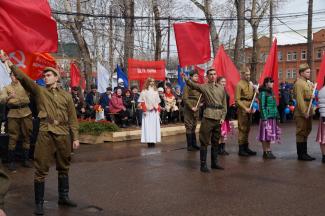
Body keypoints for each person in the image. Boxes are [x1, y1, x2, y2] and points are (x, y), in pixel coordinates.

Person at [1, 53, 80, 215]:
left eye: (49, 75)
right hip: (46, 133)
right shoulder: (40, 91)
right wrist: (8, 62)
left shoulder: (66, 96)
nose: (45, 77)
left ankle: (63, 197)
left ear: (56, 77)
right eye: (44, 75)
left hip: (64, 134)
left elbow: (73, 118)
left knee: (64, 167)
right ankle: (39, 204)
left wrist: (76, 138)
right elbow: (24, 79)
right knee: (41, 169)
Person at [183, 68, 227, 172]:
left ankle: (214, 163)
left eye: (214, 74)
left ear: (216, 76)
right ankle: (203, 165)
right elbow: (193, 85)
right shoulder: (204, 87)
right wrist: (186, 79)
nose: (213, 76)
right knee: (204, 141)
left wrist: (223, 117)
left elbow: (224, 104)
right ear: (207, 76)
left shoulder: (221, 88)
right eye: (210, 74)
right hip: (208, 117)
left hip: (218, 117)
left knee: (216, 141)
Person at [0, 72, 33, 171]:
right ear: (10, 77)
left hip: (26, 112)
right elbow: (1, 99)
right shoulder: (7, 88)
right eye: (13, 75)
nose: (15, 77)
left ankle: (25, 159)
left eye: (16, 75)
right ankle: (11, 161)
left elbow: (33, 90)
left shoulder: (25, 85)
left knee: (27, 135)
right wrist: (9, 97)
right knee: (13, 137)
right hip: (13, 113)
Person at [293, 63, 315, 161]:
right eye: (307, 72)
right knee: (301, 132)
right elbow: (299, 99)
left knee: (307, 130)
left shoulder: (307, 83)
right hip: (302, 112)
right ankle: (301, 154)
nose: (309, 73)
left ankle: (305, 153)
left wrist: (312, 96)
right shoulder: (299, 84)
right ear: (301, 73)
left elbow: (308, 96)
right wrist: (304, 112)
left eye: (309, 72)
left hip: (308, 110)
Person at [235, 67, 257, 157]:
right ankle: (241, 149)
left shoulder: (250, 84)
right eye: (246, 74)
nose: (248, 76)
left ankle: (246, 147)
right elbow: (237, 100)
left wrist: (254, 106)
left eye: (249, 74)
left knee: (248, 128)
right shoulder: (239, 85)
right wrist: (245, 108)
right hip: (243, 108)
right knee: (242, 128)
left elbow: (253, 97)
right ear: (242, 74)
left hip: (250, 107)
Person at [257, 77, 281, 159]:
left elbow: (275, 105)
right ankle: (265, 151)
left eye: (273, 82)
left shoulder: (271, 92)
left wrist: (277, 116)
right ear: (266, 83)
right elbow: (262, 106)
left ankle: (269, 150)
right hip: (266, 117)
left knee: (269, 135)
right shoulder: (263, 93)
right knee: (264, 135)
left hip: (272, 116)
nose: (272, 83)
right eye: (271, 82)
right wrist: (264, 118)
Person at [138, 77, 161, 148]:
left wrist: (158, 110)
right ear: (148, 82)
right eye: (150, 81)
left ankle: (153, 141)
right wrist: (144, 110)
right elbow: (142, 101)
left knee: (154, 127)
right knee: (148, 127)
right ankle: (149, 141)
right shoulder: (144, 91)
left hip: (154, 111)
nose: (152, 83)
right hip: (147, 112)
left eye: (153, 81)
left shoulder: (156, 91)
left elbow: (158, 102)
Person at [182, 69, 201, 151]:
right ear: (191, 77)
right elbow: (185, 98)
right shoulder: (187, 86)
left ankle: (194, 144)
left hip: (197, 107)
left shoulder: (198, 86)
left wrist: (200, 103)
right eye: (195, 76)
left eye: (197, 76)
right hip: (190, 108)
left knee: (194, 126)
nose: (197, 77)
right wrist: (191, 107)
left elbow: (200, 97)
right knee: (189, 126)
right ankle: (189, 145)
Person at [216, 77, 230, 155]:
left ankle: (222, 148)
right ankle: (218, 149)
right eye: (222, 81)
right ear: (218, 82)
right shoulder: (217, 91)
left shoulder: (225, 90)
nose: (224, 83)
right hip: (219, 114)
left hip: (226, 114)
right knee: (219, 132)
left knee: (224, 133)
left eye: (225, 81)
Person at [316, 77, 325, 163]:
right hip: (324, 117)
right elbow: (322, 105)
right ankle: (324, 156)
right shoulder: (323, 91)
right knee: (323, 138)